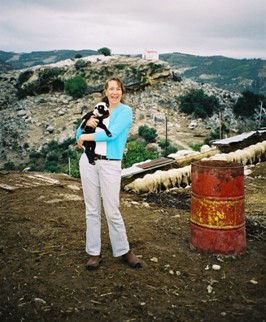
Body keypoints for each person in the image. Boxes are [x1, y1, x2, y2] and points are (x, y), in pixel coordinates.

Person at [76, 77, 141, 270]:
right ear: (105, 91)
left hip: (110, 164)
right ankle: (94, 253)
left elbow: (109, 135)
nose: (114, 92)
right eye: (111, 89)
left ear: (122, 92)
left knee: (112, 209)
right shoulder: (97, 110)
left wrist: (85, 136)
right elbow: (76, 135)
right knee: (92, 209)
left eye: (118, 89)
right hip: (88, 162)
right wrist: (86, 125)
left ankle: (124, 250)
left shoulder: (125, 112)